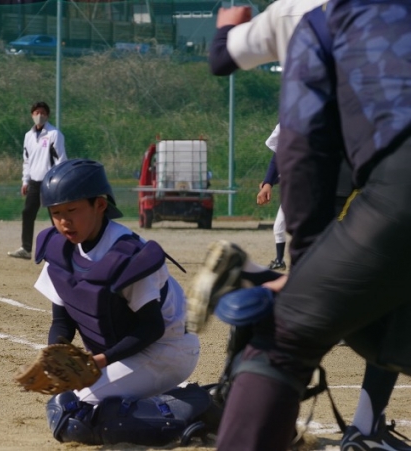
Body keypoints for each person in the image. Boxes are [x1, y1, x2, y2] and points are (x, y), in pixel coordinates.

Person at [202, 1, 411, 449]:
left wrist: (305, 265)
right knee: (387, 321)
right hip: (379, 190)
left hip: (391, 186)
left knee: (288, 333)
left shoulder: (317, 17)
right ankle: (367, 428)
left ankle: (258, 279)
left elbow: (301, 146)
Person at [33, 158, 200, 405]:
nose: (64, 221)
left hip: (167, 350)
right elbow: (61, 321)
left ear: (100, 205)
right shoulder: (60, 250)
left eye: (72, 210)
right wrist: (55, 358)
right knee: (64, 396)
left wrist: (99, 361)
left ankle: (195, 406)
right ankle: (157, 399)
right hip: (122, 352)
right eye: (56, 213)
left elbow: (152, 327)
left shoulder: (128, 255)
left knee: (81, 403)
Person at [8, 101, 67, 260]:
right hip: (34, 182)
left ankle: (63, 249)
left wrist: (60, 180)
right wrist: (25, 181)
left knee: (56, 216)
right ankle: (26, 249)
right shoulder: (28, 136)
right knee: (28, 212)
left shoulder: (54, 134)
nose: (39, 116)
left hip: (50, 181)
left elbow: (61, 159)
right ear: (32, 115)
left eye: (42, 113)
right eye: (36, 113)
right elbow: (26, 160)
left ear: (47, 115)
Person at [257, 124, 287, 270]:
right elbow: (278, 157)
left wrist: (269, 182)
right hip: (295, 192)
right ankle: (279, 260)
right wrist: (268, 182)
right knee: (279, 227)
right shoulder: (288, 124)